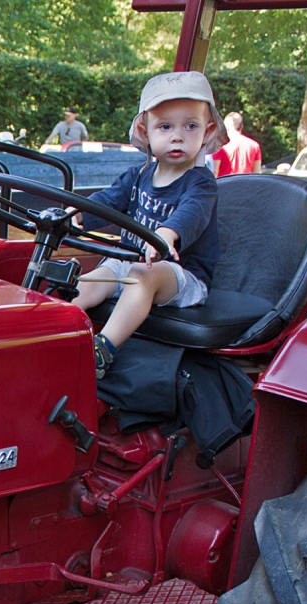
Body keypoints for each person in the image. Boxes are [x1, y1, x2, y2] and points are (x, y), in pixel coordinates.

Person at [71, 71, 227, 379]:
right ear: (145, 130)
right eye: (165, 126)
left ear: (208, 131)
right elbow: (107, 201)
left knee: (144, 273)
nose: (177, 136)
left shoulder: (201, 183)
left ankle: (104, 348)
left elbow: (191, 214)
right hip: (129, 262)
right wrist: (76, 214)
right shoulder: (138, 175)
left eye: (190, 126)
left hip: (181, 275)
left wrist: (166, 235)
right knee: (91, 278)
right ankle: (56, 331)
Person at [211, 111, 262, 176]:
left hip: (225, 184)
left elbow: (214, 171)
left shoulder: (220, 145)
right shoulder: (254, 146)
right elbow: (256, 173)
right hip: (246, 184)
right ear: (241, 126)